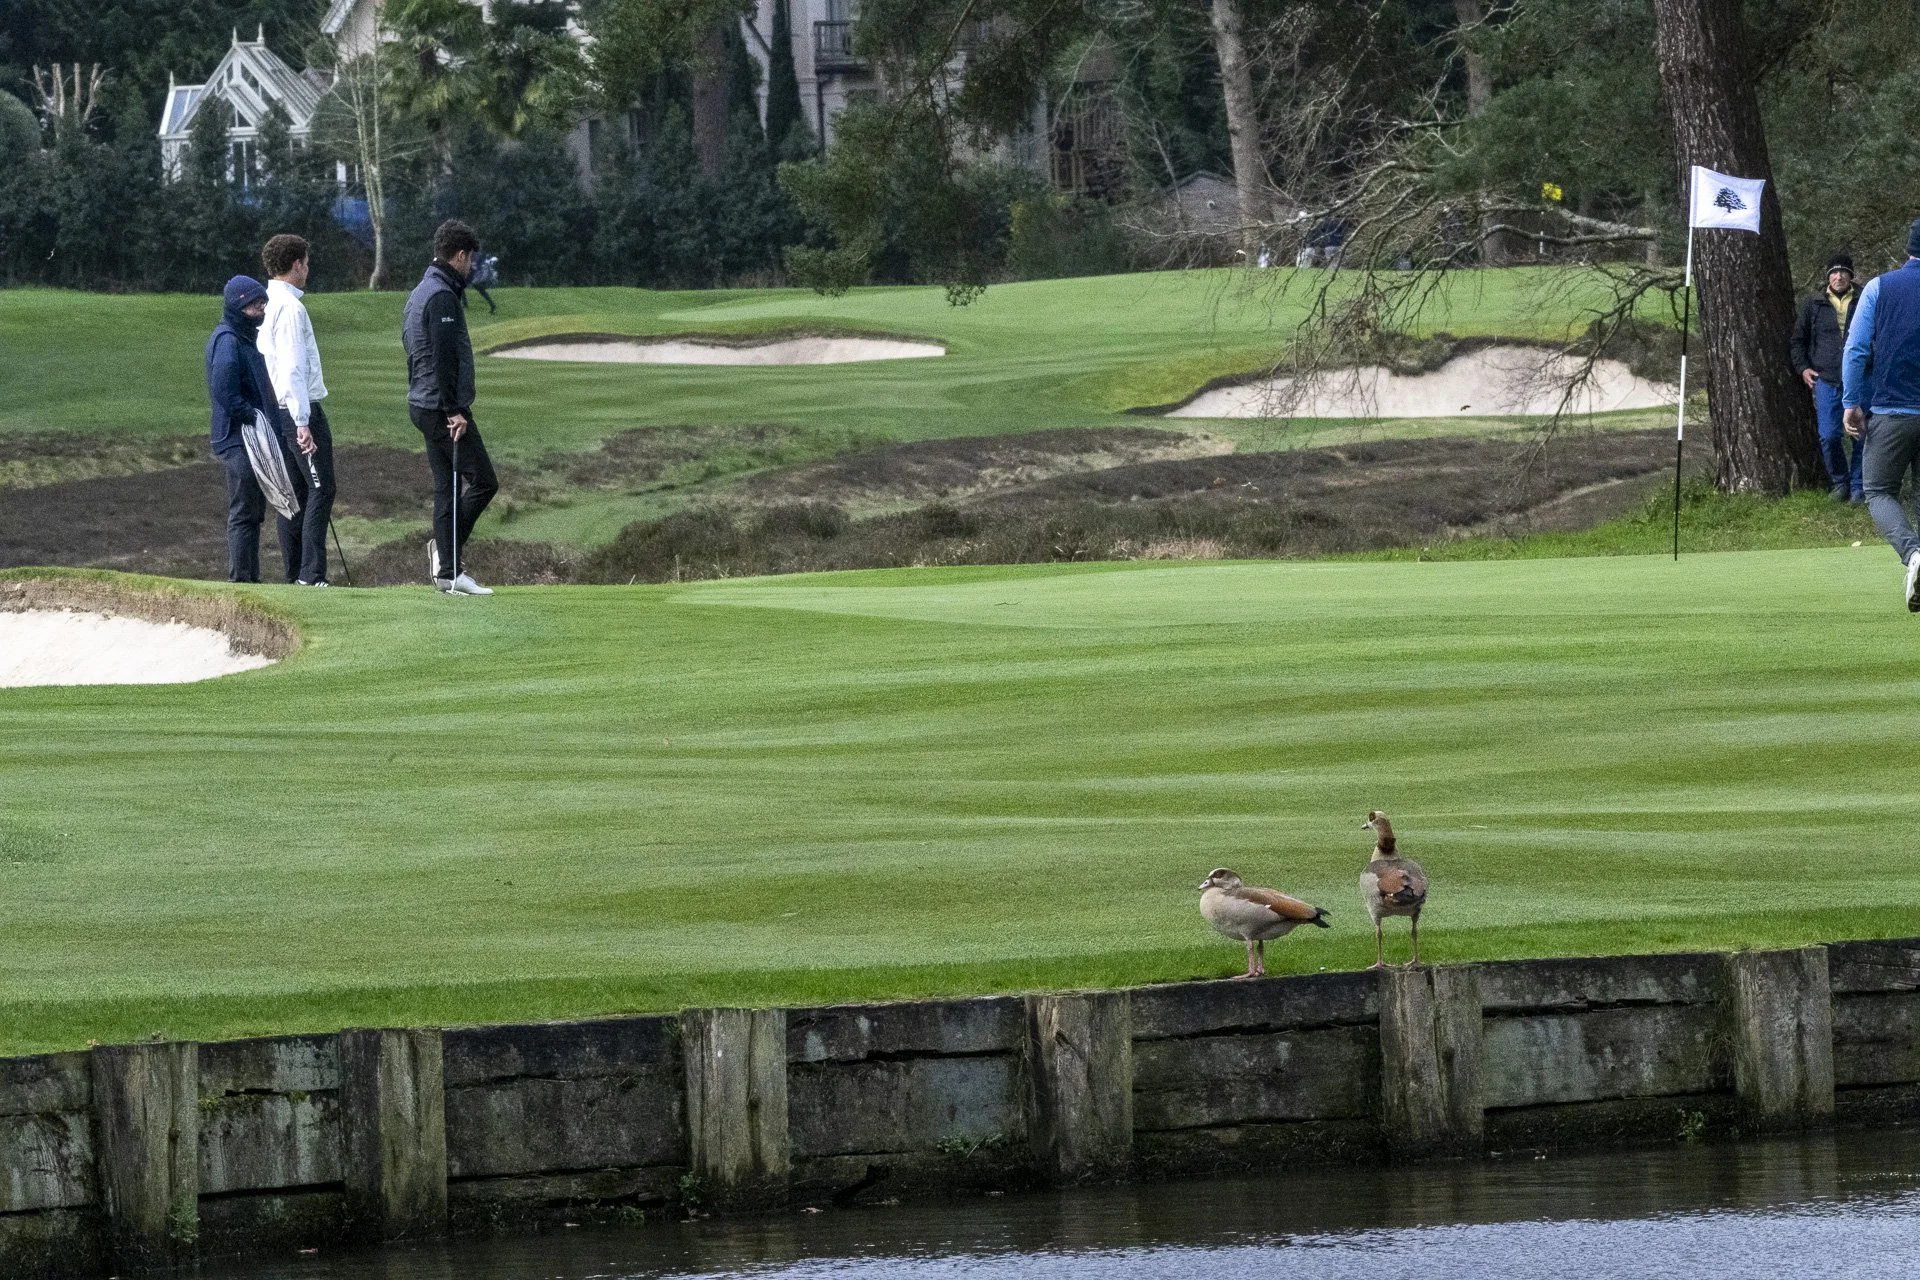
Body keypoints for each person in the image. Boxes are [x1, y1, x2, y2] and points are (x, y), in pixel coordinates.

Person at [402, 218, 498, 595]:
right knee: (484, 482)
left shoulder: (420, 291)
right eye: (470, 258)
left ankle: (449, 575)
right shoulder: (441, 296)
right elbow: (443, 357)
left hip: (423, 405)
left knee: (446, 487)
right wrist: (454, 410)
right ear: (459, 256)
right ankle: (446, 557)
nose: (472, 266)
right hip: (442, 408)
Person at [1843, 219, 1920, 610]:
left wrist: (1850, 402)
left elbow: (1855, 349)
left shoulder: (1879, 287)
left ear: (1908, 248)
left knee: (1877, 489)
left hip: (1893, 410)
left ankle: (1913, 556)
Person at [205, 276, 303, 583]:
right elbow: (223, 388)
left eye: (262, 303)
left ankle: (249, 579)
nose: (260, 309)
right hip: (237, 438)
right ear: (238, 306)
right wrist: (251, 415)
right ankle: (243, 581)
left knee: (253, 510)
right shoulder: (228, 340)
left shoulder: (242, 338)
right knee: (245, 510)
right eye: (253, 304)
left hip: (247, 437)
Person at [260, 234, 335, 586]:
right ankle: (310, 575)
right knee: (322, 489)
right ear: (296, 265)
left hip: (281, 411)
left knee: (298, 495)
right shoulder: (291, 308)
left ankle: (296, 576)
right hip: (297, 413)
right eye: (306, 262)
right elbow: (292, 367)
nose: (308, 269)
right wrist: (303, 421)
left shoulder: (270, 303)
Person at [1791, 253, 1861, 502]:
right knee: (1829, 436)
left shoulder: (1864, 299)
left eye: (1843, 271)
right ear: (1827, 276)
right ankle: (1840, 482)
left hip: (1861, 378)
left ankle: (1859, 487)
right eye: (1834, 271)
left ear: (1851, 275)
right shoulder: (1814, 304)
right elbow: (1798, 341)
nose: (1838, 276)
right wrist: (1803, 368)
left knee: (1860, 435)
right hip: (1826, 379)